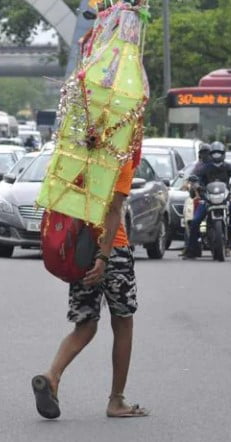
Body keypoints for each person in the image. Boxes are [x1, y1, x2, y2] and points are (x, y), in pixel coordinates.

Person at [32, 159, 148, 419]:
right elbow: (114, 209)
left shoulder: (76, 156)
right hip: (113, 251)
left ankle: (52, 376)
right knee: (123, 322)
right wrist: (104, 257)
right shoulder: (120, 158)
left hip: (79, 250)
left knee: (85, 325)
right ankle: (116, 401)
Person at [185, 141, 231, 256]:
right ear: (210, 154)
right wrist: (196, 183)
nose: (217, 155)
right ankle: (191, 249)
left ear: (223, 154)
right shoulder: (205, 168)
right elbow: (197, 177)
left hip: (224, 199)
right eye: (214, 153)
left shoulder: (227, 166)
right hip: (207, 200)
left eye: (219, 153)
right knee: (196, 220)